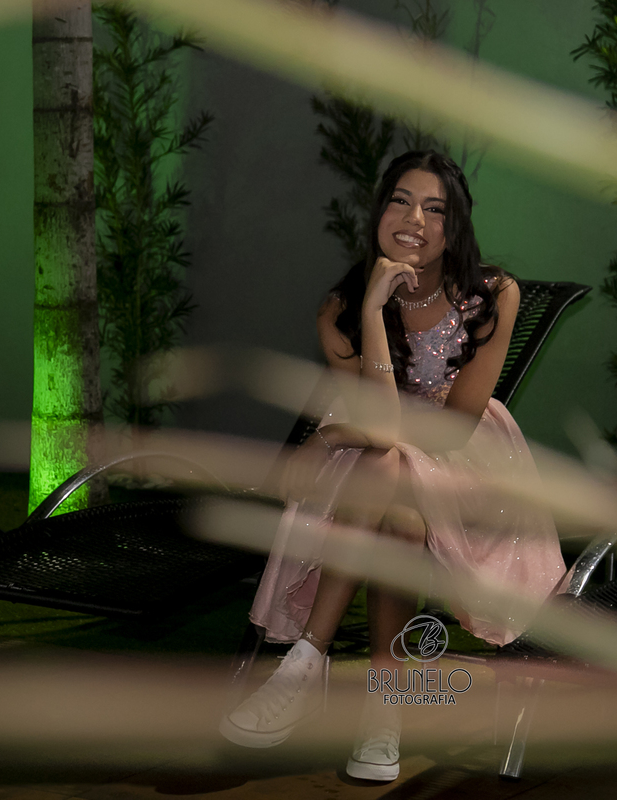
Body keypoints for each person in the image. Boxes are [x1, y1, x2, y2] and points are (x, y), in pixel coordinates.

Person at [219, 151, 566, 781]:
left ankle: (306, 660)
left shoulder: (493, 295)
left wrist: (340, 434)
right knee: (398, 508)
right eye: (401, 201)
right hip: (373, 461)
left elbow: (454, 426)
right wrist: (374, 312)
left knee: (387, 467)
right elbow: (379, 423)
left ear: (455, 226)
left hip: (462, 462)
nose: (415, 220)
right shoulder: (342, 309)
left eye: (436, 209)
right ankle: (385, 708)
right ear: (379, 211)